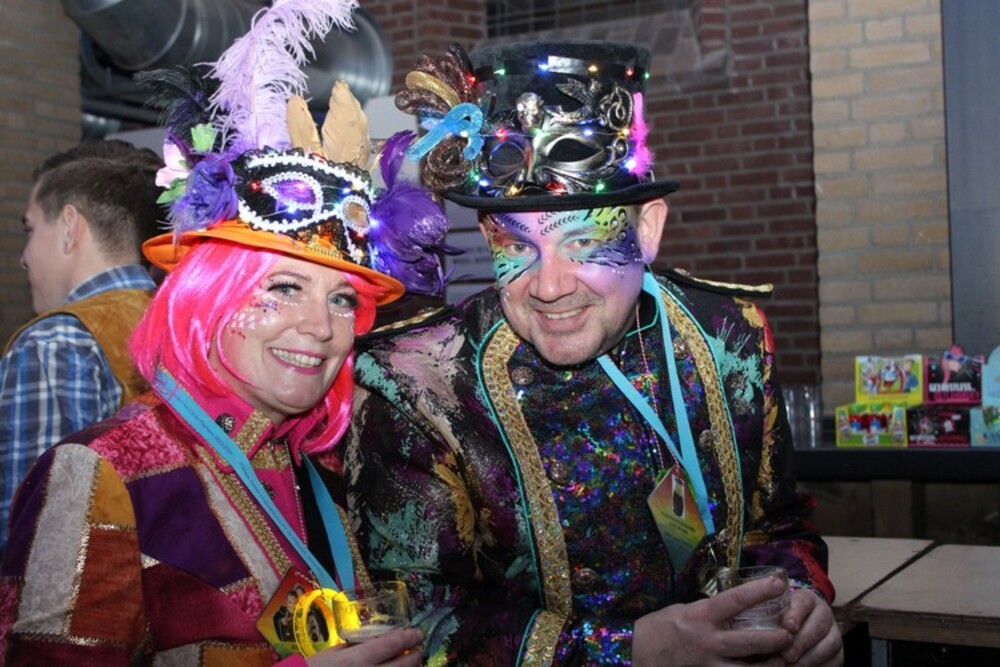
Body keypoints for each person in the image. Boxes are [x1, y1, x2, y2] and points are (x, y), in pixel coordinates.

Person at [342, 41, 844, 665]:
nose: (549, 287)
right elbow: (418, 622)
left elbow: (779, 526)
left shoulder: (728, 339)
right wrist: (631, 652)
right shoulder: (418, 383)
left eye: (583, 241)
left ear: (647, 231)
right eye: (516, 245)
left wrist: (798, 600)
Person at [0, 1, 444, 664]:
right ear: (209, 299)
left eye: (342, 298)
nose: (321, 327)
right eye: (284, 288)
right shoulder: (103, 472)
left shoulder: (314, 465)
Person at [0, 139, 163, 555]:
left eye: (30, 229)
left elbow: (37, 543)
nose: (23, 257)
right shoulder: (188, 327)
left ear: (70, 227)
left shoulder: (52, 344)